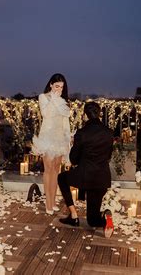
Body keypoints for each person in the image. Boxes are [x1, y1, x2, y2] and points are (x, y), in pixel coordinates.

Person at [57, 101, 115, 236]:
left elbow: (73, 159)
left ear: (85, 115)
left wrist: (74, 145)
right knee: (92, 220)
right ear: (99, 114)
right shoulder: (109, 133)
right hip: (102, 179)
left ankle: (73, 215)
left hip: (85, 176)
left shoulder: (81, 133)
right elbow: (108, 156)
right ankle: (105, 217)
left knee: (62, 178)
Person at [32, 73, 71, 215]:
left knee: (56, 170)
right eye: (56, 86)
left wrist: (68, 138)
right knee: (48, 170)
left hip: (60, 138)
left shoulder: (63, 100)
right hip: (48, 138)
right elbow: (45, 114)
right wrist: (54, 98)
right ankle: (48, 203)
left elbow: (65, 121)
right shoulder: (44, 97)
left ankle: (53, 202)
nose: (59, 89)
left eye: (61, 87)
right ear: (50, 85)